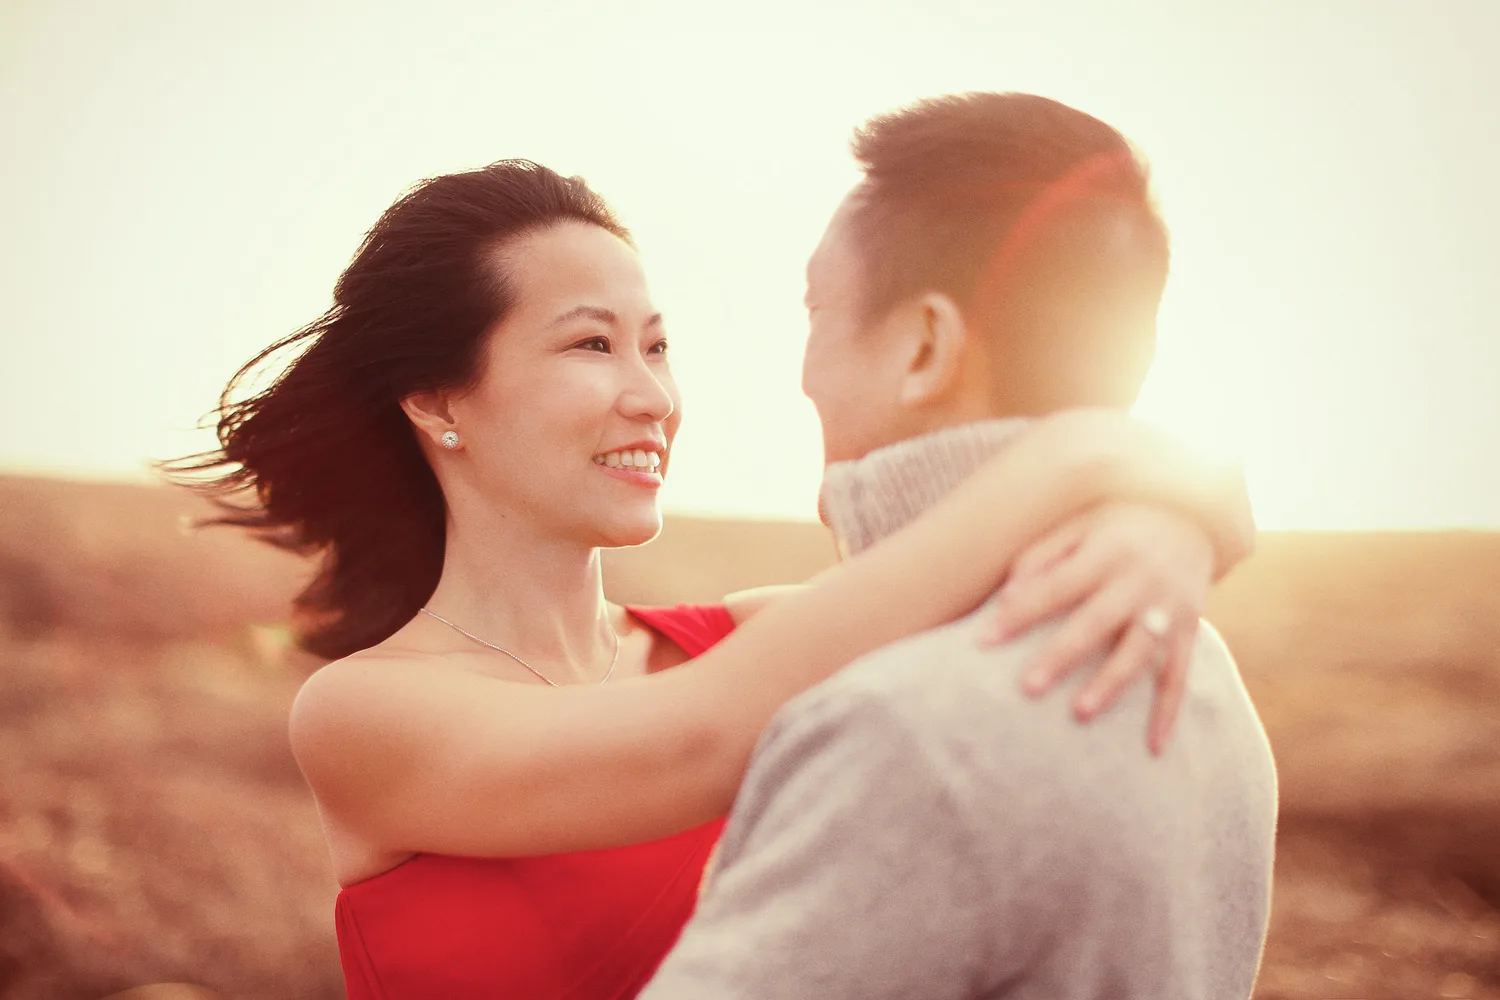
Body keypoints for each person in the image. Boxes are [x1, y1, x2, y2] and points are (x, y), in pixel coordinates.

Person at [168, 156, 1254, 999]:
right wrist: (1082, 460)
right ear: (438, 399)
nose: (652, 396)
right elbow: (697, 739)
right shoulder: (360, 715)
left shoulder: (756, 642)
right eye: (591, 346)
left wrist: (1164, 521)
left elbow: (1011, 620)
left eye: (657, 346)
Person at [639, 93, 1278, 1000]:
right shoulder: (1204, 676)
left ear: (925, 349)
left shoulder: (900, 733)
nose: (805, 373)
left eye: (817, 309)